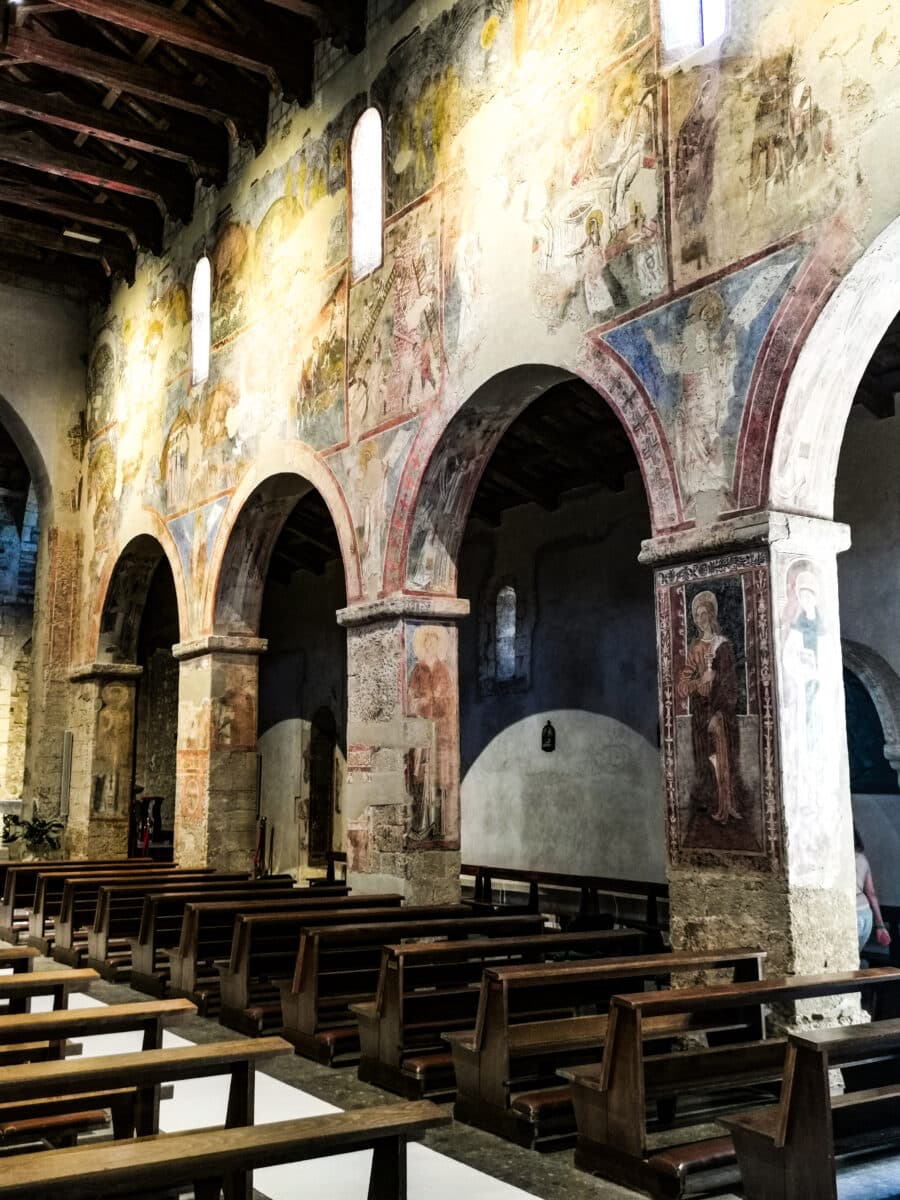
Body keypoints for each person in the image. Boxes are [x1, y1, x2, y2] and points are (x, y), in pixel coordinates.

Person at [855, 826, 891, 957]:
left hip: (852, 912)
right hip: (866, 913)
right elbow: (871, 893)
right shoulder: (862, 859)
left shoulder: (840, 859)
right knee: (856, 957)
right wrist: (880, 926)